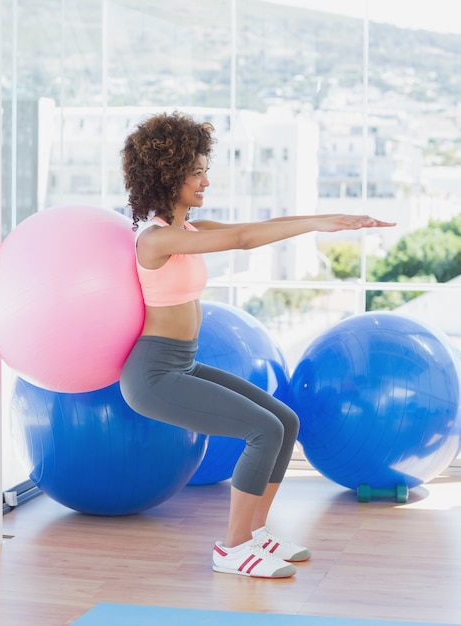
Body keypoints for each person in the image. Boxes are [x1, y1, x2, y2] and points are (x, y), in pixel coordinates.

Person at [119, 111, 396, 579]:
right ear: (168, 174)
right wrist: (318, 226)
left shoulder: (189, 231)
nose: (206, 180)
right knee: (261, 430)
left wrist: (323, 219)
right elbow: (245, 240)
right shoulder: (156, 239)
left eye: (206, 169)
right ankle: (232, 548)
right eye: (197, 171)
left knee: (284, 420)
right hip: (154, 375)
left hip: (181, 365)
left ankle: (257, 533)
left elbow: (261, 224)